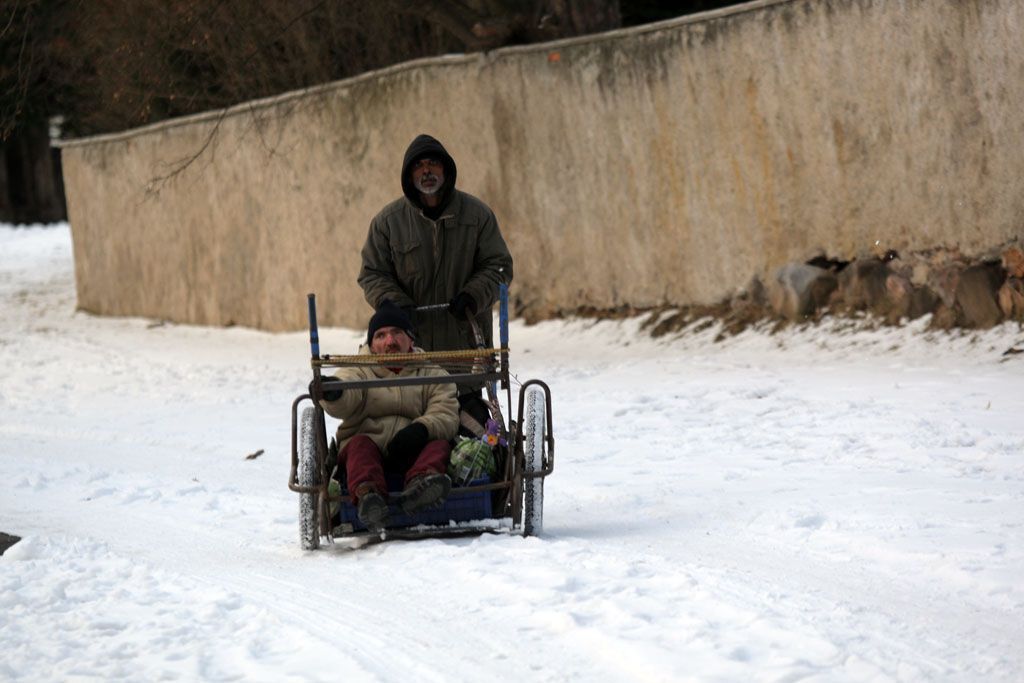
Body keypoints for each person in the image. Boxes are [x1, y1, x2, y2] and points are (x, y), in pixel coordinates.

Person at [358, 133, 513, 423]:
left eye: (433, 164)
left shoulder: (477, 216)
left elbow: (500, 266)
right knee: (410, 433)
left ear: (447, 170)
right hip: (409, 362)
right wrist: (395, 304)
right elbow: (372, 273)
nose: (427, 171)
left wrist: (474, 294)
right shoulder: (388, 223)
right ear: (409, 175)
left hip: (465, 358)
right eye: (419, 166)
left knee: (471, 435)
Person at [316, 303, 459, 532]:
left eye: (397, 333)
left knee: (440, 444)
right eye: (381, 335)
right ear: (371, 344)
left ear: (411, 340)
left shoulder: (432, 372)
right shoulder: (360, 369)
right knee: (358, 446)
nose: (389, 341)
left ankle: (420, 488)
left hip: (413, 449)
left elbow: (446, 412)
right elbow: (349, 387)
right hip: (367, 447)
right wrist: (335, 391)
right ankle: (369, 498)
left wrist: (421, 429)